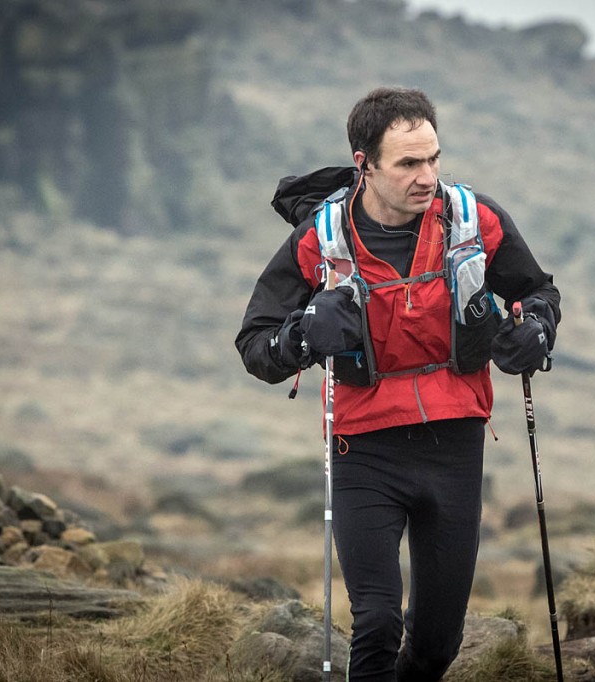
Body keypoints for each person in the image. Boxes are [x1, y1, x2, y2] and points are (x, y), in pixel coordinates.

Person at [236, 87, 561, 682]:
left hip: (454, 447)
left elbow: (539, 294)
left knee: (437, 645)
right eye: (409, 163)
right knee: (379, 622)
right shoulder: (321, 239)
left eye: (433, 158)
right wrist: (306, 335)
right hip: (364, 451)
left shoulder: (475, 220)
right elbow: (255, 345)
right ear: (365, 164)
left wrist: (535, 331)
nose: (427, 176)